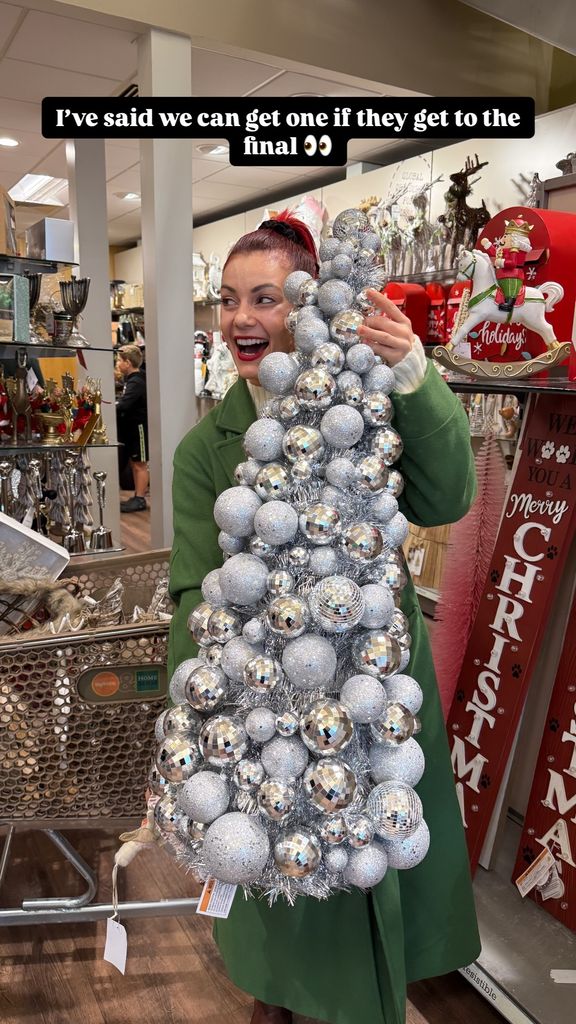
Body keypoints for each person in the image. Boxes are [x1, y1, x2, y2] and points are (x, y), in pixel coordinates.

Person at [168, 214, 481, 1024]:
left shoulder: (369, 407)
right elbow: (192, 593)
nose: (239, 318)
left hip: (376, 683)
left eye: (264, 297)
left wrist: (415, 374)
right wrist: (195, 723)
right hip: (261, 703)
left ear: (309, 304)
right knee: (280, 864)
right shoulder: (211, 449)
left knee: (379, 854)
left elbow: (447, 497)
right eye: (227, 299)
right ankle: (286, 998)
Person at [115, 343, 149, 513]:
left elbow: (125, 404)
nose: (117, 364)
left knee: (140, 464)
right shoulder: (131, 380)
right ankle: (137, 495)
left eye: (119, 361)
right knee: (135, 464)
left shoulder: (137, 381)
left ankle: (140, 497)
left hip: (139, 429)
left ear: (127, 362)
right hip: (131, 429)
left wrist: (115, 406)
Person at [480, 216, 534, 313]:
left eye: (507, 236)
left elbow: (512, 263)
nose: (504, 237)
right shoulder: (503, 248)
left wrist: (500, 262)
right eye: (505, 235)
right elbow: (496, 253)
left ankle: (510, 302)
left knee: (509, 284)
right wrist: (488, 245)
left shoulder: (515, 250)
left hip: (513, 274)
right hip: (501, 273)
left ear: (515, 239)